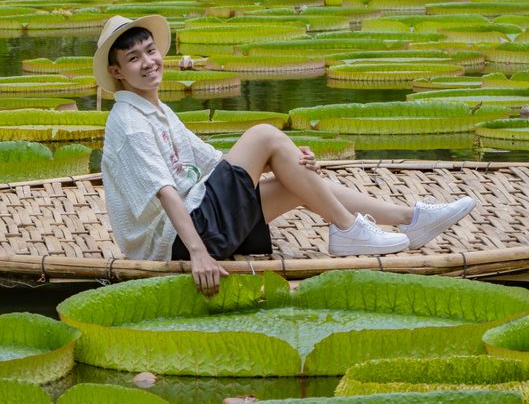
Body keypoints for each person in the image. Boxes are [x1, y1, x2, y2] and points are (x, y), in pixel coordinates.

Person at [94, 15, 476, 297]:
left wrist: (292, 161)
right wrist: (197, 254)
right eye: (134, 59)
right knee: (263, 134)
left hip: (199, 221)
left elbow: (214, 163)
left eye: (151, 51)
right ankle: (348, 230)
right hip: (178, 241)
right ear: (117, 71)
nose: (148, 62)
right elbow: (164, 190)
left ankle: (410, 220)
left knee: (294, 180)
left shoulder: (155, 110)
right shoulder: (127, 122)